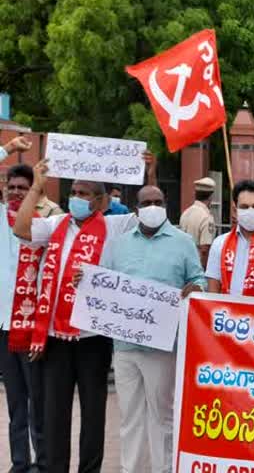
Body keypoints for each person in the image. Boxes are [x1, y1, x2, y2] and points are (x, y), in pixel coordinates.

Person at [13, 159, 139, 473]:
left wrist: (147, 173)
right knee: (54, 413)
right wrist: (37, 187)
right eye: (74, 191)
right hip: (54, 337)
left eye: (84, 193)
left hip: (92, 338)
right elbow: (21, 228)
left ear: (99, 201)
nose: (77, 197)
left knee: (94, 413)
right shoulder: (56, 223)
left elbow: (146, 218)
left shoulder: (113, 226)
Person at [98, 184, 205, 473]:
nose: (153, 206)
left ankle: (164, 469)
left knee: (162, 416)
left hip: (163, 345)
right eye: (147, 202)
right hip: (124, 346)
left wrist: (195, 288)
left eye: (158, 201)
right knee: (129, 416)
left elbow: (199, 280)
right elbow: (104, 282)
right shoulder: (119, 244)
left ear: (166, 204)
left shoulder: (182, 242)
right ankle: (130, 469)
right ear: (137, 208)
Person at [0, 137, 48, 473]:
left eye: (23, 187)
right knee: (16, 403)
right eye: (11, 186)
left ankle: (43, 463)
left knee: (40, 404)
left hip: (35, 328)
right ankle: (20, 464)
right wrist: (7, 148)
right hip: (3, 327)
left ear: (34, 191)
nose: (16, 192)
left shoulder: (45, 226)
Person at [180, 176, 217, 267]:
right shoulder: (206, 217)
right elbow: (205, 250)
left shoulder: (185, 213)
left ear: (195, 194)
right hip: (197, 267)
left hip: (183, 263)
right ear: (211, 196)